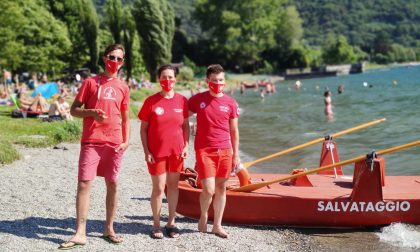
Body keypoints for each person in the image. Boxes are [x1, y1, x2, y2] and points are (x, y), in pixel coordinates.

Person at [59, 44, 130, 250]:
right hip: (92, 141)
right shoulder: (91, 82)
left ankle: (109, 228)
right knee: (84, 184)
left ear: (122, 62)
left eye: (118, 59)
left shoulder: (123, 87)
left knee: (113, 184)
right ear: (104, 57)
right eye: (111, 57)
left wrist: (126, 142)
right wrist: (91, 112)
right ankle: (80, 232)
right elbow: (74, 110)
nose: (114, 61)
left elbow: (126, 119)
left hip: (115, 142)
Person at [189, 64, 240, 239]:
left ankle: (217, 225)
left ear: (224, 81)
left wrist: (236, 154)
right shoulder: (198, 99)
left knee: (221, 188)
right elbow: (180, 117)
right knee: (209, 189)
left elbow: (234, 131)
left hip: (226, 150)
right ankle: (204, 215)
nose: (217, 83)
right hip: (204, 150)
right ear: (207, 81)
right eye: (214, 80)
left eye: (220, 80)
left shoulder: (230, 102)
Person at [138, 64, 189, 239]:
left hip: (176, 152)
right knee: (159, 189)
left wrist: (186, 145)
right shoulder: (150, 101)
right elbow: (143, 129)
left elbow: (185, 126)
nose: (167, 80)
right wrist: (146, 151)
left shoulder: (182, 100)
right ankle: (157, 225)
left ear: (175, 79)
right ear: (159, 79)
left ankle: (171, 223)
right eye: (164, 77)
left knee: (173, 187)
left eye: (170, 77)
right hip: (156, 153)